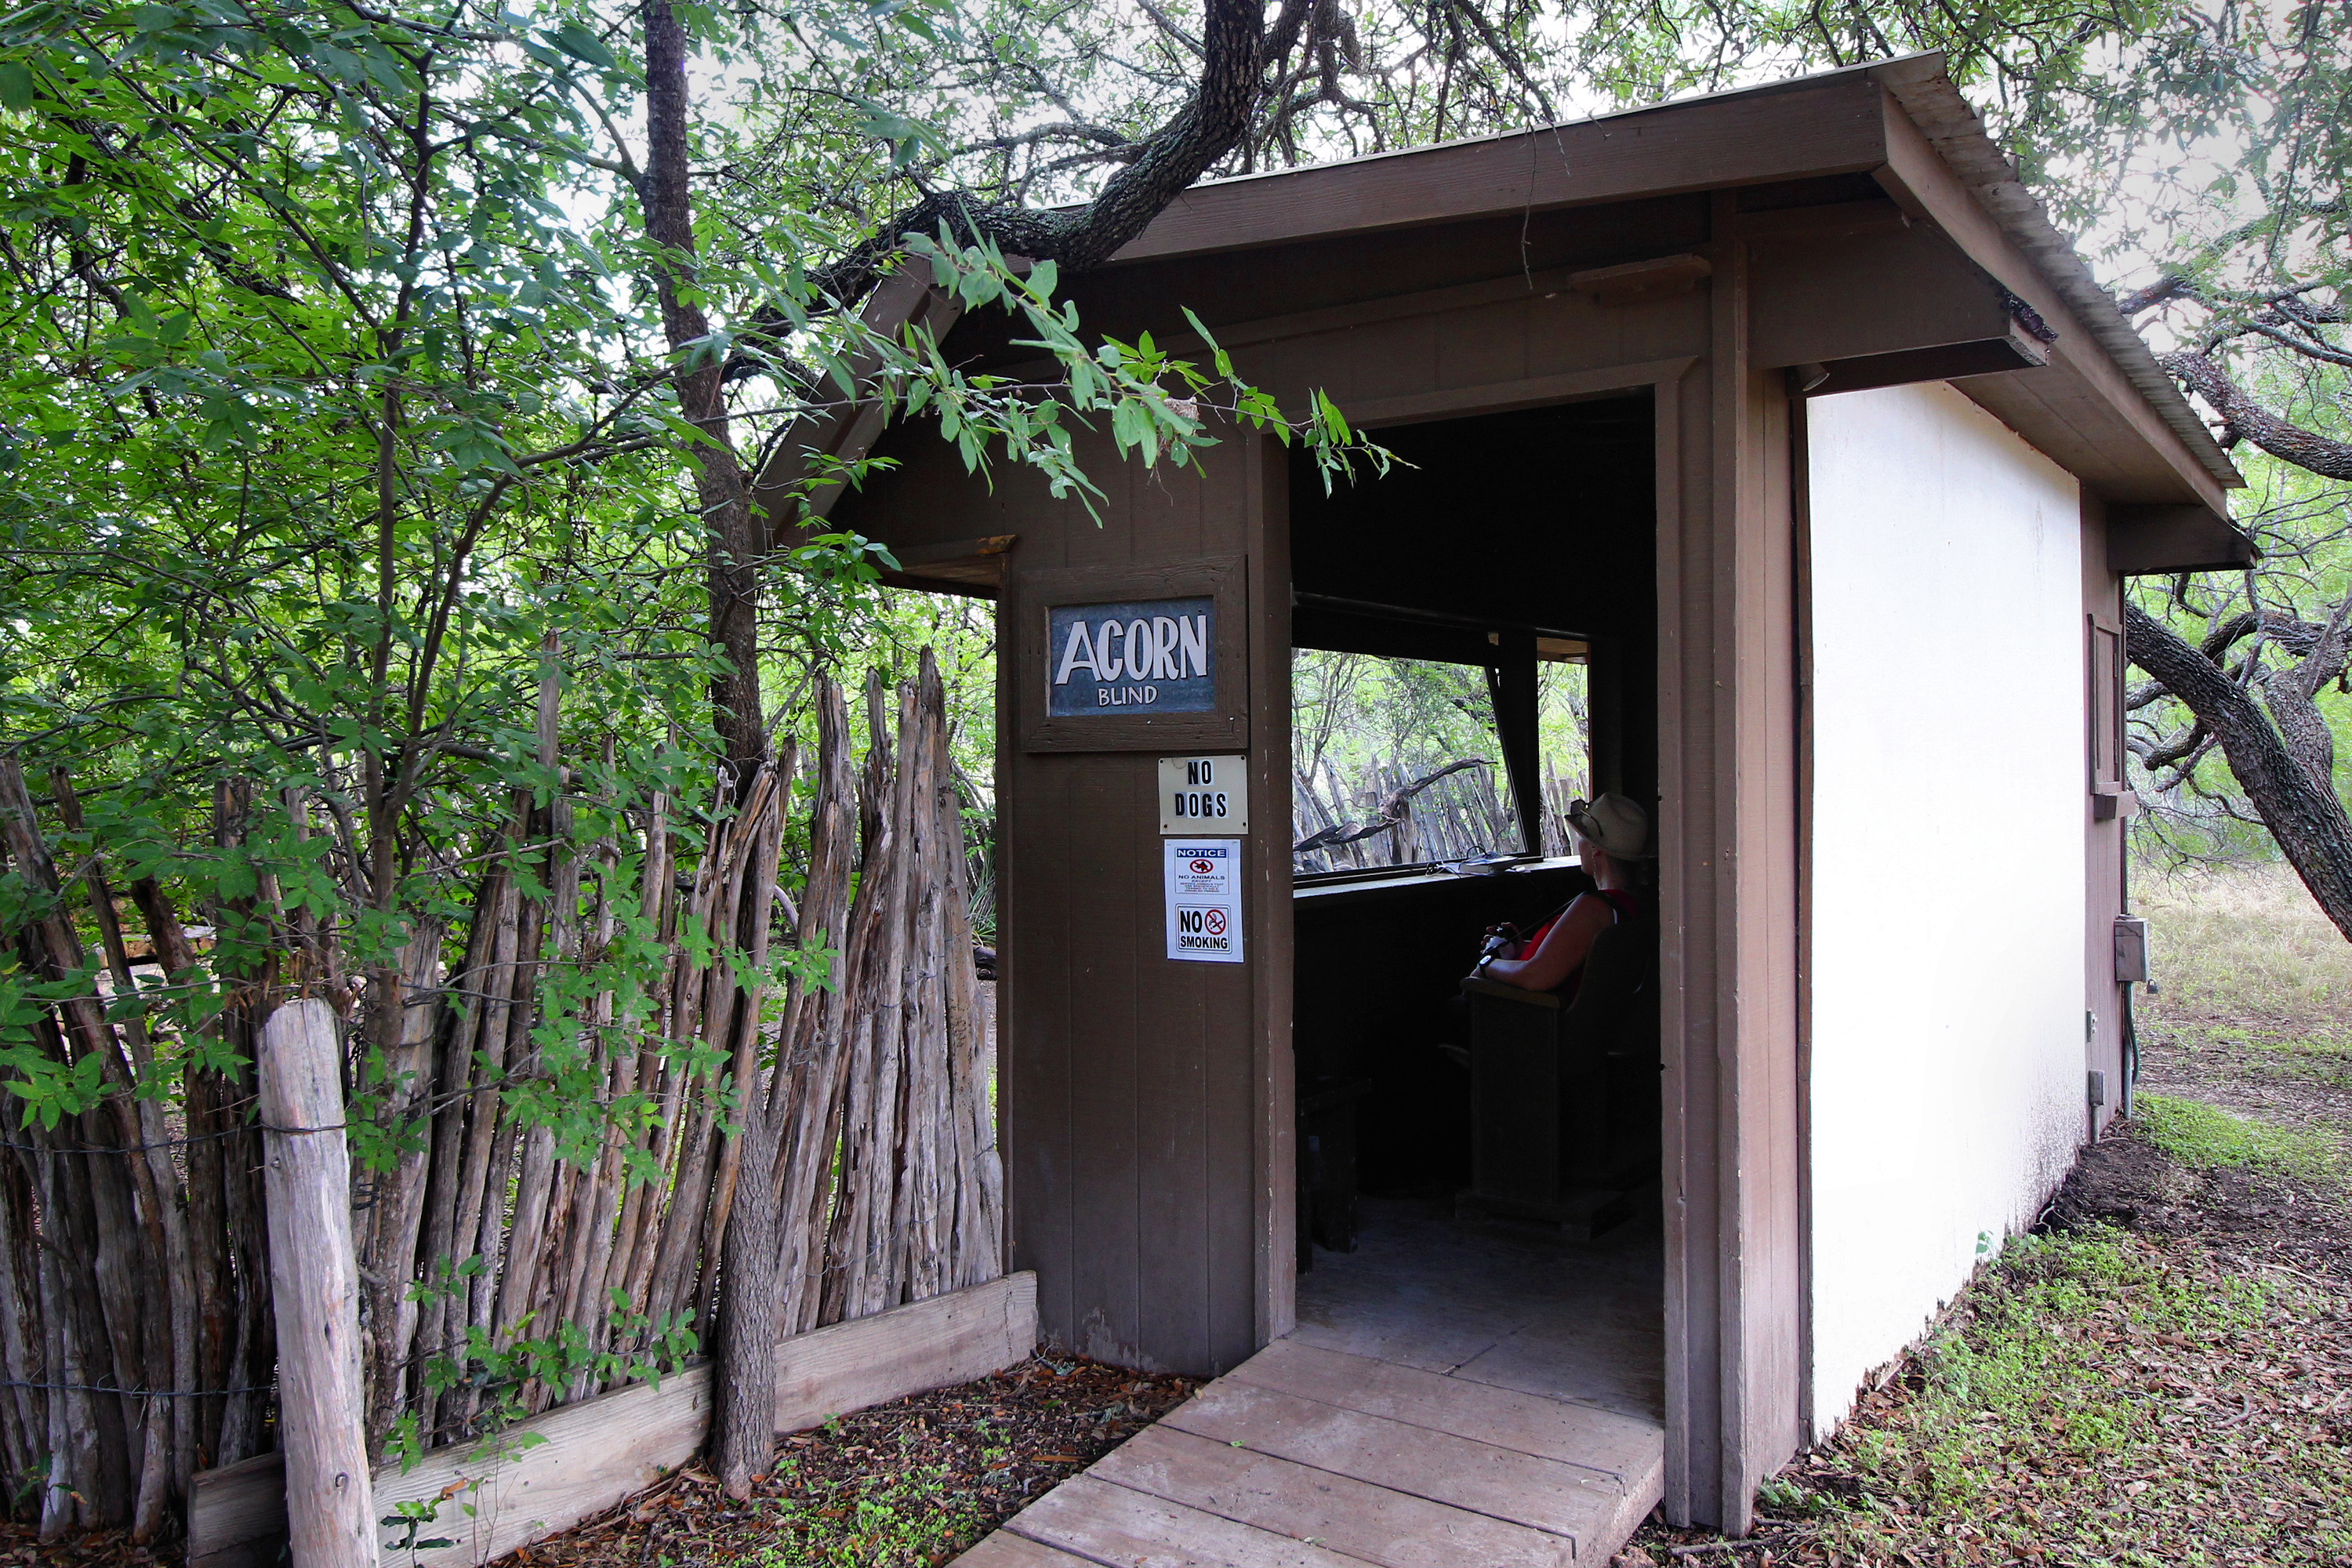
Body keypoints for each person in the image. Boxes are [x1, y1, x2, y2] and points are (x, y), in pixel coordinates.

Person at [1472, 794, 1650, 999]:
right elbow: (1573, 957)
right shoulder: (1633, 904)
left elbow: (1536, 977)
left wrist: (1488, 963)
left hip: (1535, 1016)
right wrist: (1523, 947)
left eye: (1583, 838)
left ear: (1595, 850)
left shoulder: (1593, 908)